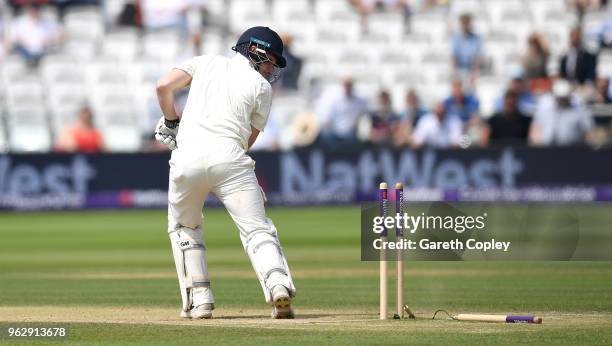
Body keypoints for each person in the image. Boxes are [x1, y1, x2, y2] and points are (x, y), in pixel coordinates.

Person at [154, 26, 296, 319]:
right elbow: (248, 141)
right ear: (253, 50)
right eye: (269, 60)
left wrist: (171, 122)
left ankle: (200, 301)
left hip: (187, 158)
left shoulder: (205, 62)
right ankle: (278, 285)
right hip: (231, 158)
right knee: (257, 229)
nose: (270, 68)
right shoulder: (263, 89)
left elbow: (163, 86)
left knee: (185, 228)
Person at [529, 79, 595, 146]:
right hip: (546, 149)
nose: (562, 100)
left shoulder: (579, 109)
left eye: (564, 98)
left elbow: (589, 132)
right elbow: (535, 129)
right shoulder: (544, 106)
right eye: (560, 98)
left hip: (572, 149)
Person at [316, 77, 368, 149]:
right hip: (334, 133)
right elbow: (328, 118)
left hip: (351, 134)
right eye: (346, 85)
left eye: (349, 85)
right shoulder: (334, 100)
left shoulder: (360, 102)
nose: (347, 87)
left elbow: (364, 116)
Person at [451, 13, 482, 82]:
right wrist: (455, 73)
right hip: (460, 70)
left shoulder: (476, 38)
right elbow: (454, 57)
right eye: (463, 23)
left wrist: (473, 74)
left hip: (472, 70)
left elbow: (477, 58)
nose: (465, 25)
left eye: (467, 22)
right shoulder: (456, 38)